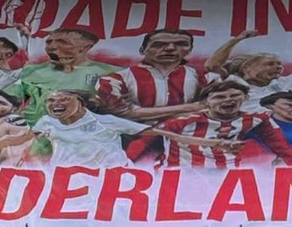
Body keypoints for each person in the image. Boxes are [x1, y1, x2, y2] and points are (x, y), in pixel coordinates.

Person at [30, 89, 233, 168]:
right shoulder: (46, 122)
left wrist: (214, 143)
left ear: (80, 102)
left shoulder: (106, 121)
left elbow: (163, 133)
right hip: (64, 180)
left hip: (110, 176)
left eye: (64, 99)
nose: (56, 102)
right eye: (51, 100)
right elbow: (24, 141)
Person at [150, 80, 292, 169]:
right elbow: (145, 136)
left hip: (226, 176)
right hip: (182, 174)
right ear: (205, 102)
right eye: (219, 97)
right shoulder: (183, 121)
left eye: (235, 95)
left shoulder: (259, 119)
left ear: (246, 97)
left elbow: (283, 148)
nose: (228, 100)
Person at [97, 29, 213, 120]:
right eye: (158, 45)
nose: (170, 48)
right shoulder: (114, 79)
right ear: (142, 50)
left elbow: (215, 107)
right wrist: (191, 107)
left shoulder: (202, 77)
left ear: (190, 49)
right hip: (135, 139)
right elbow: (123, 112)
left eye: (181, 44)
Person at [15, 28, 117, 125]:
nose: (52, 46)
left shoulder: (110, 72)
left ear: (85, 48)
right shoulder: (31, 71)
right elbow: (9, 99)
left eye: (63, 42)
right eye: (49, 42)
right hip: (38, 133)